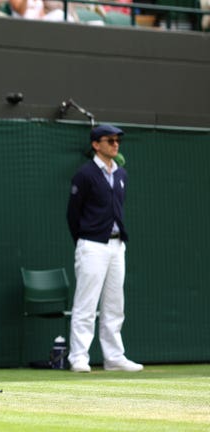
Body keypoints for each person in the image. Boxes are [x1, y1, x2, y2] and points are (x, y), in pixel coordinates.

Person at [66, 124, 143, 373]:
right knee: (86, 304)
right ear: (96, 144)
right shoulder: (85, 174)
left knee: (114, 304)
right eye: (109, 140)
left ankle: (114, 357)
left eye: (117, 140)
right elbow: (73, 214)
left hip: (117, 245)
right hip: (91, 245)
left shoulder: (121, 174)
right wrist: (85, 239)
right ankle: (78, 357)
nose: (115, 144)